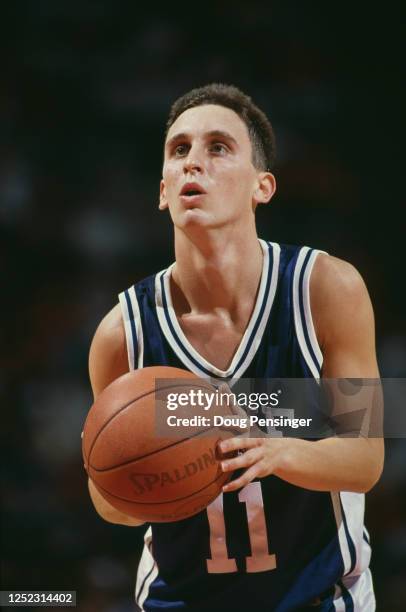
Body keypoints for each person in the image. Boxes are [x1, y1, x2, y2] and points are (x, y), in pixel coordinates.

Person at [87, 83, 384, 611]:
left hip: (318, 594)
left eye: (218, 148)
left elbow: (366, 459)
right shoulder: (121, 332)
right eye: (179, 150)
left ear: (262, 186)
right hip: (178, 598)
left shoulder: (326, 289)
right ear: (162, 190)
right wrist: (147, 478)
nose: (193, 164)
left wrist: (277, 451)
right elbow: (109, 499)